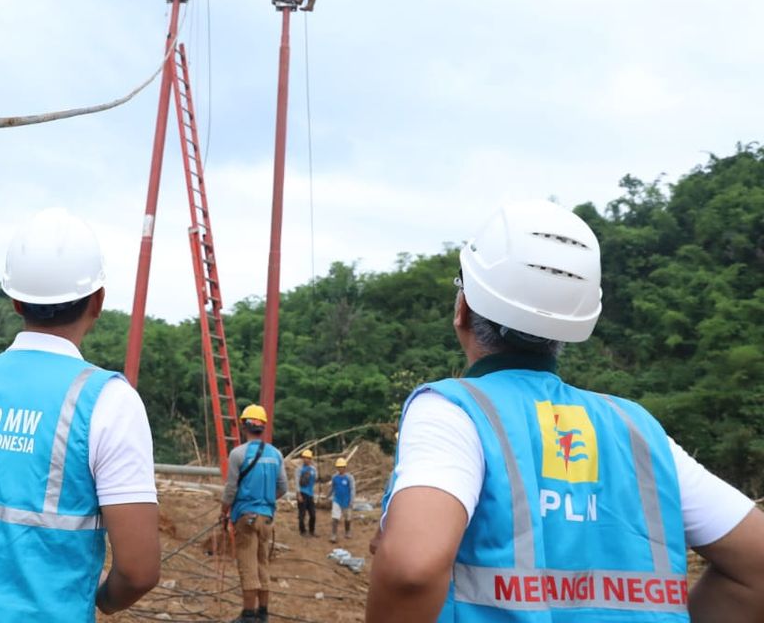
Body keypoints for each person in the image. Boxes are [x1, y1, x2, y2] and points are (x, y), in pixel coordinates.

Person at [368, 199, 764, 621]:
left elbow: (412, 569)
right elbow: (756, 568)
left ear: (462, 309)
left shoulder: (453, 413)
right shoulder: (639, 432)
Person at [0, 208, 160, 622]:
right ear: (98, 300)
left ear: (15, 300)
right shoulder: (108, 402)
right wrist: (97, 601)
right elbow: (138, 570)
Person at [221, 405, 288, 623]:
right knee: (262, 563)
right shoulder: (276, 454)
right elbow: (283, 488)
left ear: (244, 426)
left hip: (245, 516)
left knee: (247, 565)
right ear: (263, 427)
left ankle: (249, 615)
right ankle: (263, 613)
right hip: (267, 517)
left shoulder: (238, 454)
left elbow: (231, 489)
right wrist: (266, 502)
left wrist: (224, 511)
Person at [329, 457, 355, 543]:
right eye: (339, 467)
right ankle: (333, 534)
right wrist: (327, 496)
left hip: (347, 501)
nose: (340, 469)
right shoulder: (334, 477)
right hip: (337, 500)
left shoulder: (349, 478)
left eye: (342, 467)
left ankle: (347, 531)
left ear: (345, 467)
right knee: (335, 518)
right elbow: (332, 488)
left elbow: (352, 489)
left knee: (347, 517)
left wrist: (351, 500)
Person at [297, 449, 317, 536]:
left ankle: (312, 530)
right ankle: (302, 531)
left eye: (308, 458)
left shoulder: (313, 469)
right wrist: (298, 494)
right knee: (302, 514)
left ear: (310, 459)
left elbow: (315, 480)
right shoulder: (299, 469)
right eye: (304, 458)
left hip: (310, 494)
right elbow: (297, 482)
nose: (306, 459)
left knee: (313, 515)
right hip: (302, 493)